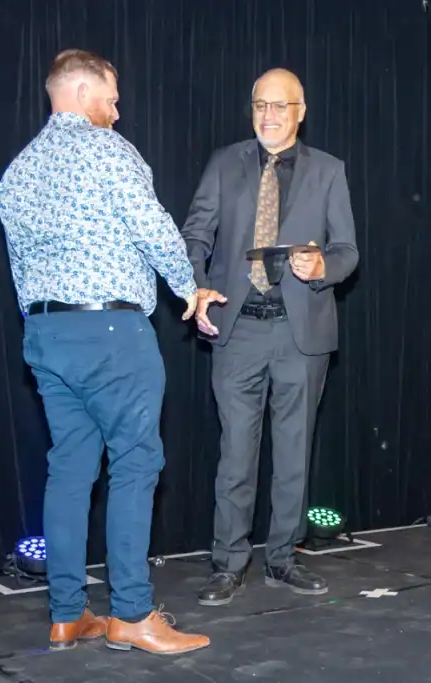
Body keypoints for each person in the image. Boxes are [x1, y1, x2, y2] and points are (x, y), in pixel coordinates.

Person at [0, 48, 210, 655]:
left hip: (45, 335)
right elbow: (154, 227)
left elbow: (19, 266)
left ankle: (67, 614)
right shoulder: (109, 151)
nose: (116, 113)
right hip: (111, 333)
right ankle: (132, 614)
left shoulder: (18, 170)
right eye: (112, 100)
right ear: (84, 93)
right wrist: (189, 288)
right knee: (136, 464)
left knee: (68, 470)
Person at [181, 68, 358, 605]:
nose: (269, 115)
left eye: (280, 106)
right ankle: (228, 563)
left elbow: (347, 251)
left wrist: (322, 266)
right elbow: (195, 234)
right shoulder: (224, 163)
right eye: (261, 105)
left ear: (300, 111)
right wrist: (196, 285)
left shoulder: (328, 170)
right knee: (236, 453)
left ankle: (283, 559)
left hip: (301, 334)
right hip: (237, 330)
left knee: (294, 453)